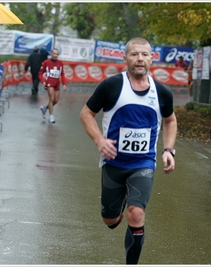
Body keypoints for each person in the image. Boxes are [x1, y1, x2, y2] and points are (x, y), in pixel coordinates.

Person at [79, 37, 177, 264]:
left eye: (144, 54)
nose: (140, 59)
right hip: (113, 163)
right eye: (134, 54)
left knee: (136, 213)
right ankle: (121, 201)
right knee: (110, 221)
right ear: (125, 58)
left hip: (143, 164)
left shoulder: (162, 92)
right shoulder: (111, 86)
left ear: (152, 58)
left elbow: (170, 120)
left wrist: (169, 150)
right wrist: (100, 141)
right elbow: (86, 114)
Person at [38, 48, 67, 123]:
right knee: (51, 98)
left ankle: (45, 108)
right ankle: (51, 116)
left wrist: (64, 84)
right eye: (54, 54)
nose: (55, 55)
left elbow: (62, 74)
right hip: (49, 82)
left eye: (57, 54)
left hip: (57, 83)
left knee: (56, 100)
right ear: (51, 54)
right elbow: (40, 73)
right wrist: (43, 82)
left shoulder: (60, 63)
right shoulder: (46, 62)